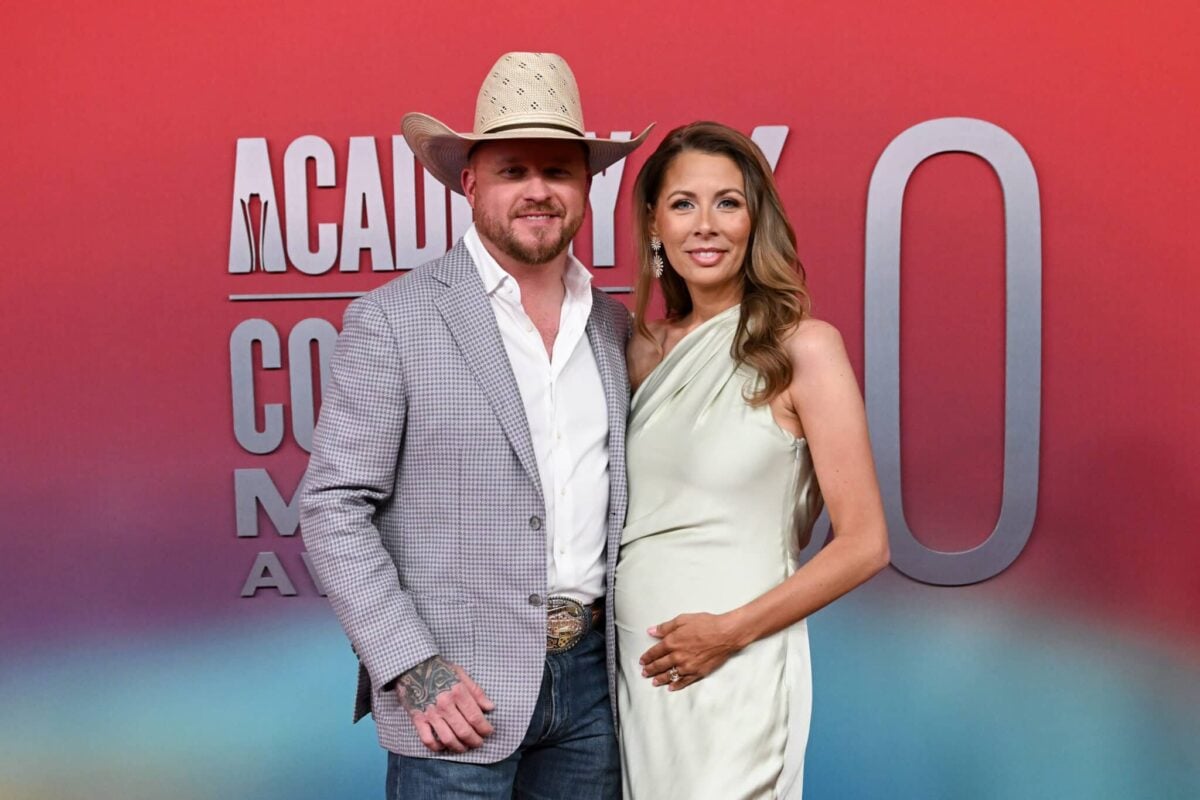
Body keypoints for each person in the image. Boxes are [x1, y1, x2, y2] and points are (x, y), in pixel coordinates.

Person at [299, 52, 651, 799]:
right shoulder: (394, 320)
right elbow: (333, 508)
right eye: (513, 170)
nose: (537, 191)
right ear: (469, 183)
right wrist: (411, 666)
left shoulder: (615, 327)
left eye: (558, 171)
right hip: (454, 697)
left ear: (585, 186)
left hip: (595, 690)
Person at [614, 121, 891, 799]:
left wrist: (729, 633)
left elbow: (865, 544)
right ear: (654, 223)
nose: (705, 225)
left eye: (727, 203)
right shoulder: (631, 350)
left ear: (754, 220)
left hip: (736, 666)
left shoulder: (804, 349)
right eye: (683, 204)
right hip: (633, 671)